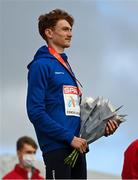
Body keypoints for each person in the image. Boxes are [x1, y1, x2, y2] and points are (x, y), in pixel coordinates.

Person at [26, 9, 119, 179]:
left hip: (77, 148)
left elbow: (73, 114)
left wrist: (100, 128)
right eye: (65, 29)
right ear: (49, 33)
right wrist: (69, 138)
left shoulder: (65, 66)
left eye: (70, 29)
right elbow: (35, 112)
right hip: (57, 148)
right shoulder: (40, 66)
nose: (70, 34)